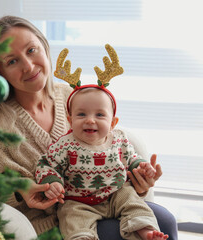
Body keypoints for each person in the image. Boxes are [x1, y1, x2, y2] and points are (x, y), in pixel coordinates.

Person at [0, 15, 177, 239]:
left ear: (44, 46)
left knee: (165, 220)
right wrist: (22, 189)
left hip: (107, 201)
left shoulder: (70, 96)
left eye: (31, 50)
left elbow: (106, 151)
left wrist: (138, 178)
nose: (29, 66)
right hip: (56, 223)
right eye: (12, 61)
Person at [35, 48, 169, 239]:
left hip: (116, 194)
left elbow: (131, 159)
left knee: (134, 203)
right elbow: (45, 164)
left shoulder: (119, 139)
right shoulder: (65, 145)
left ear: (113, 123)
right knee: (72, 218)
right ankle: (82, 237)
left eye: (99, 115)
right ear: (70, 119)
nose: (90, 120)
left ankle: (146, 230)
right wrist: (52, 181)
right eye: (81, 114)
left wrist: (142, 167)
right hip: (79, 201)